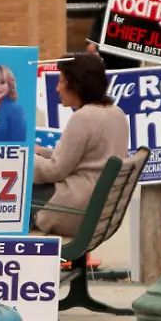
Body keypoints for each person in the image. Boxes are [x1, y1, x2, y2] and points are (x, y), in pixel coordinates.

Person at [31, 53, 129, 236]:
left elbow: (55, 171)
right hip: (97, 208)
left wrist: (20, 159)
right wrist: (41, 152)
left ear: (76, 84)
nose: (57, 88)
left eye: (61, 81)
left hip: (73, 209)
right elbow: (80, 160)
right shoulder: (117, 113)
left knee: (7, 199)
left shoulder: (84, 118)